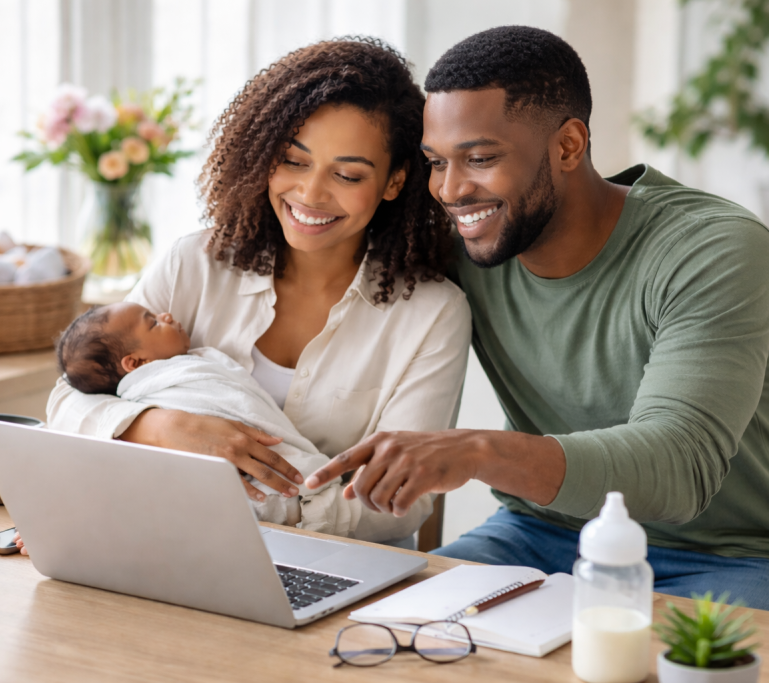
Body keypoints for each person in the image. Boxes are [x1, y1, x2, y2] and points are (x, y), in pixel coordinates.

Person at [306, 26, 769, 621]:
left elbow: (680, 466)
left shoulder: (713, 248)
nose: (451, 190)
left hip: (746, 559)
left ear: (568, 146)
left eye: (481, 158)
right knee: (374, 627)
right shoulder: (463, 238)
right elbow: (310, 232)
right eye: (437, 163)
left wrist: (476, 450)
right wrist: (188, 373)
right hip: (541, 537)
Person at [46, 38, 472, 549]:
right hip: (177, 544)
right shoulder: (195, 263)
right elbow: (68, 400)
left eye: (347, 174)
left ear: (393, 182)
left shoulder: (432, 314)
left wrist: (275, 504)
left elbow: (403, 501)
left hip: (336, 561)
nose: (311, 194)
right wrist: (160, 428)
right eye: (294, 161)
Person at [50, 301, 380, 537]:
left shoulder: (190, 366)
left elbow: (239, 405)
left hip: (263, 512)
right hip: (219, 513)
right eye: (153, 322)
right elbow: (67, 395)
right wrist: (161, 426)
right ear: (135, 364)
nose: (166, 314)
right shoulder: (164, 382)